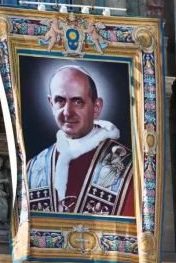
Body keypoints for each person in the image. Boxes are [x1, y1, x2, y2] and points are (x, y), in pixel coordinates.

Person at [26, 65, 135, 216]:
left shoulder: (129, 167)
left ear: (96, 107)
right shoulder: (33, 168)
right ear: (51, 103)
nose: (67, 112)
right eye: (60, 101)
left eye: (77, 102)